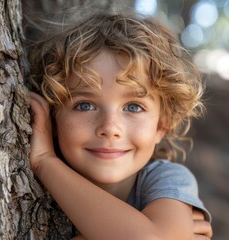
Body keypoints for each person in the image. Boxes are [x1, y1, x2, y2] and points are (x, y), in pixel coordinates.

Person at [28, 11, 212, 239]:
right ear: (53, 117)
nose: (110, 127)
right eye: (85, 105)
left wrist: (46, 162)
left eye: (133, 107)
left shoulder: (168, 178)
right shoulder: (31, 185)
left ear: (162, 125)